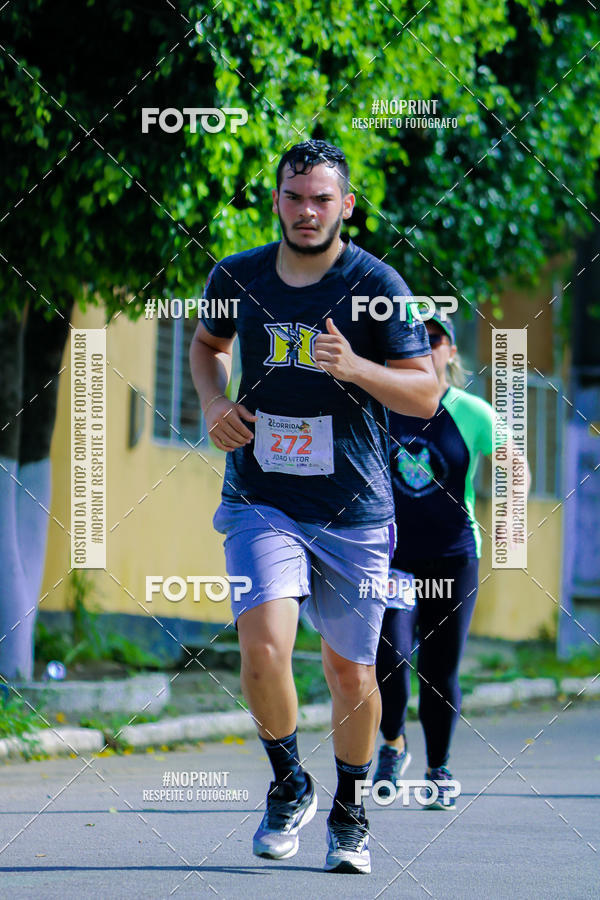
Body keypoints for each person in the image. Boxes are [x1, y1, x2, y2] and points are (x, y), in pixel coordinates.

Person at [189, 139, 438, 874]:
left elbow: (424, 392)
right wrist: (213, 402)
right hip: (261, 495)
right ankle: (288, 781)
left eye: (321, 199)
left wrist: (356, 367)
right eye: (294, 197)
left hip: (354, 507)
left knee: (349, 673)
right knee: (262, 646)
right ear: (277, 200)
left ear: (345, 206)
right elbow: (207, 345)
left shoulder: (376, 284)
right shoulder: (237, 275)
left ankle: (351, 809)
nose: (307, 211)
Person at [373, 312, 531, 808]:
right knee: (390, 657)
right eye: (414, 337)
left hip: (453, 558)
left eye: (434, 337)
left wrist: (510, 517)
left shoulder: (472, 412)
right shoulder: (381, 406)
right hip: (393, 559)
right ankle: (392, 742)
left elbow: (515, 464)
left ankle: (438, 768)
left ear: (450, 352)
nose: (424, 344)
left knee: (439, 671)